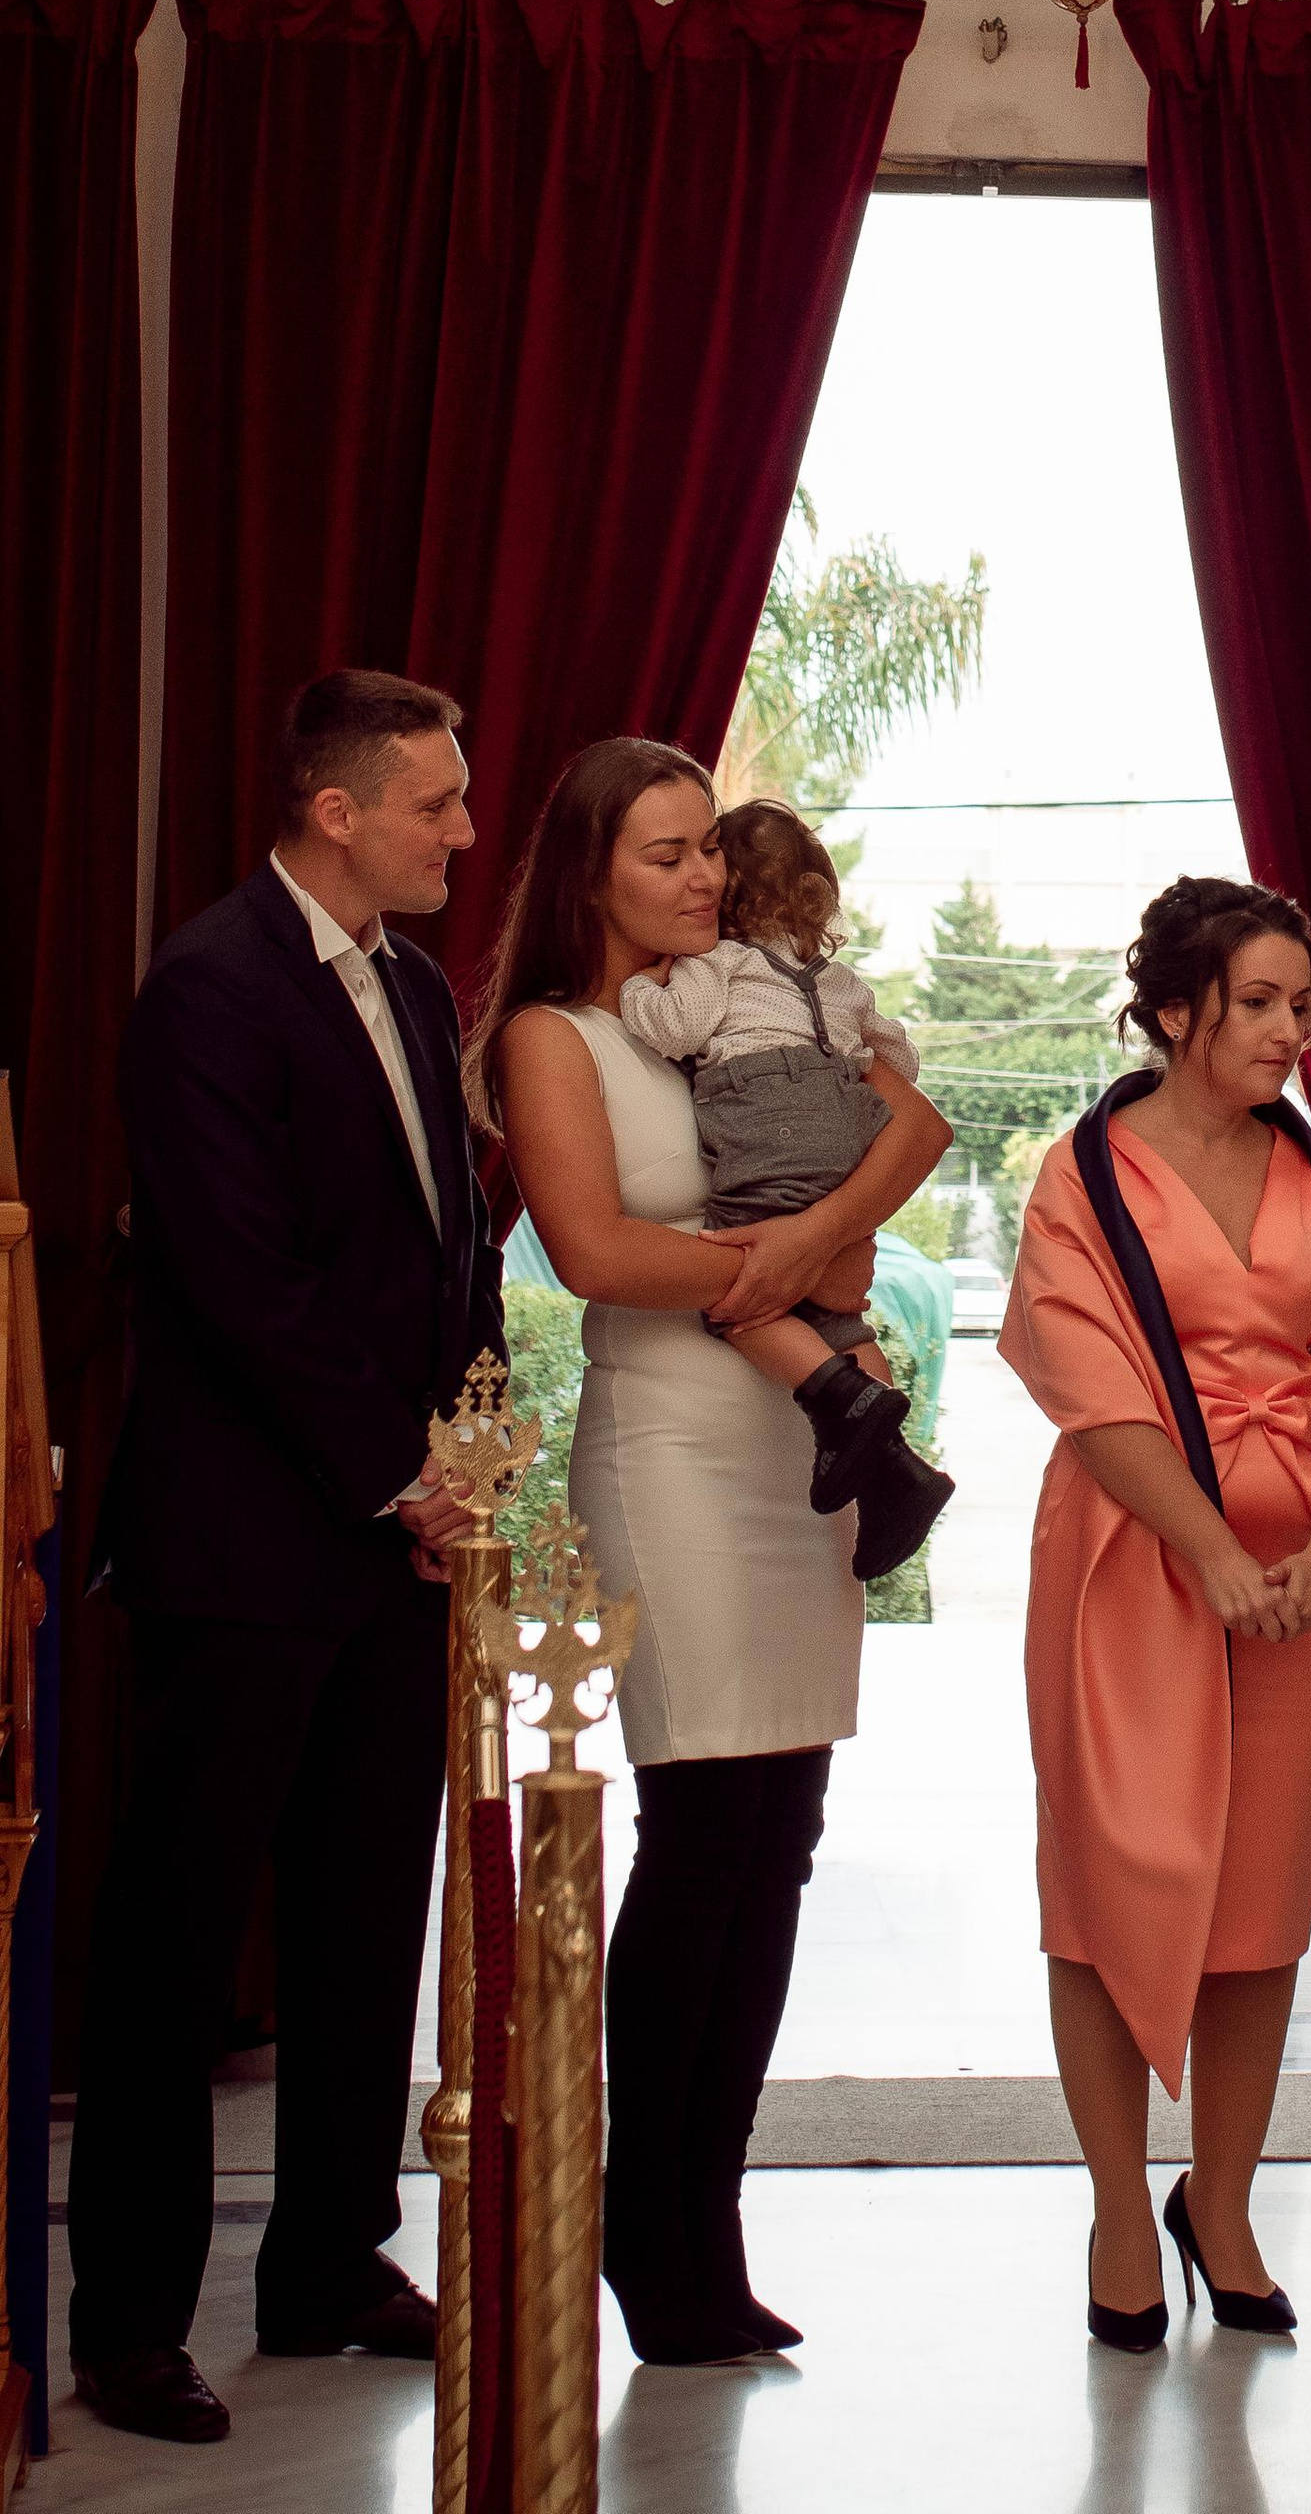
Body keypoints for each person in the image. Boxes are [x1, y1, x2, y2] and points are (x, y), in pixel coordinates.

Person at [476, 739, 951, 2365]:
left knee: (782, 1838)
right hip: (672, 1451)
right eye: (668, 856)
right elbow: (599, 1253)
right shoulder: (562, 1036)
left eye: (706, 854)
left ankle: (713, 2220)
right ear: (592, 871)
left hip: (803, 1438)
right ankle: (640, 2228)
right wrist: (805, 1252)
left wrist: (810, 1240)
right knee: (701, 1828)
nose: (702, 878)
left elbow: (904, 1133)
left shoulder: (748, 999)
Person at [68, 670, 501, 2447]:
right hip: (241, 1548)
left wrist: (461, 1453)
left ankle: (328, 2259)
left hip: (391, 1544)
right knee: (175, 1949)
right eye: (437, 807)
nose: (466, 834)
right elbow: (244, 1286)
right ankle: (128, 2321)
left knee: (356, 1926)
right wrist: (401, 1474)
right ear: (338, 809)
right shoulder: (206, 987)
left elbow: (443, 1246)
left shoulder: (405, 979)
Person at [1003, 877, 1311, 2351]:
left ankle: (1220, 2202)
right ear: (1175, 1013)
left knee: (1262, 1904)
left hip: (1302, 1582)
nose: (1294, 1032)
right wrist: (1210, 1548)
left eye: (1307, 1006)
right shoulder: (1079, 1179)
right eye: (1265, 1004)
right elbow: (1089, 1384)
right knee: (1109, 1887)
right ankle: (1116, 2206)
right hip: (1129, 1563)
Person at [618, 795, 953, 1564]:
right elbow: (896, 1060)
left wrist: (643, 988)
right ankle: (894, 1473)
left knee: (743, 1302)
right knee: (839, 1320)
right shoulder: (840, 985)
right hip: (846, 1130)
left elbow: (676, 1027)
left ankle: (842, 1400)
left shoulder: (719, 963)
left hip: (771, 1134)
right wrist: (843, 1062)